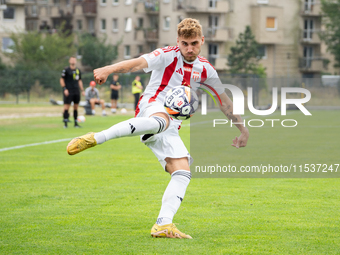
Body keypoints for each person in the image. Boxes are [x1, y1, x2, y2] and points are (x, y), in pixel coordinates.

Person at [66, 18, 249, 239]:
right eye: (184, 43)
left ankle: (163, 224)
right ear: (178, 42)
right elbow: (136, 63)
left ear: (202, 41)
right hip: (150, 108)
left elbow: (224, 102)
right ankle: (97, 137)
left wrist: (243, 129)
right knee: (162, 120)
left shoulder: (206, 70)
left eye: (194, 43)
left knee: (182, 172)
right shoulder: (166, 55)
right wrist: (107, 69)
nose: (189, 49)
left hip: (171, 126)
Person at [60, 56, 85, 128]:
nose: (73, 61)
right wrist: (65, 88)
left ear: (76, 61)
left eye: (74, 60)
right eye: (72, 60)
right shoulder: (66, 70)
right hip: (68, 90)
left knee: (76, 107)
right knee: (66, 106)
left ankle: (76, 123)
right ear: (69, 61)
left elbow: (79, 80)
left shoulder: (78, 70)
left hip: (76, 91)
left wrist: (82, 90)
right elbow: (61, 79)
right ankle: (65, 123)